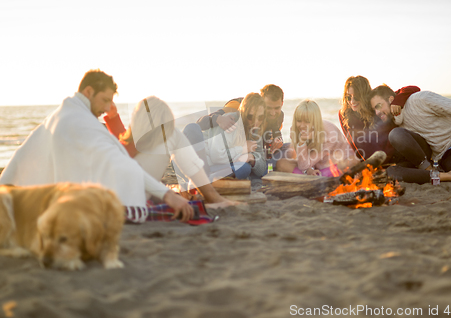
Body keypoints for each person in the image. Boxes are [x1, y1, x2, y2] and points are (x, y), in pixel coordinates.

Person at [0, 70, 193, 222]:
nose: (108, 108)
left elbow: (21, 157)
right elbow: (123, 163)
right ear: (89, 92)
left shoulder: (63, 113)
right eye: (105, 100)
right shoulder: (80, 121)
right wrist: (168, 195)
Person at [104, 96, 238, 208]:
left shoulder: (127, 145)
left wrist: (113, 117)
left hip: (120, 196)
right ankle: (213, 196)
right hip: (132, 200)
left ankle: (209, 193)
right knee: (174, 135)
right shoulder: (167, 136)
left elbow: (124, 142)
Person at [369, 85, 451, 186]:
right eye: (375, 109)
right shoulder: (396, 126)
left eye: (379, 106)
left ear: (392, 100)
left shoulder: (420, 99)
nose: (378, 112)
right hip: (449, 157)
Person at [196, 84, 291, 170]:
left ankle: (267, 167)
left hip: (256, 147)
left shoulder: (278, 116)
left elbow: (275, 129)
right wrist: (218, 119)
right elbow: (199, 123)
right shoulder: (237, 107)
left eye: (277, 108)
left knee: (289, 149)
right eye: (268, 108)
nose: (272, 113)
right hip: (232, 147)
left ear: (282, 104)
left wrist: (278, 139)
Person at [185, 93, 267, 180]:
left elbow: (262, 168)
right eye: (251, 117)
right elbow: (216, 156)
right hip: (201, 164)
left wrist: (252, 157)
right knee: (244, 169)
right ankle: (206, 180)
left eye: (260, 117)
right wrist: (243, 149)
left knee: (252, 169)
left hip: (221, 165)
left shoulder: (256, 130)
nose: (256, 122)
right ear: (243, 112)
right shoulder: (229, 121)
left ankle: (211, 180)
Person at [338, 75, 419, 161]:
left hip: (397, 151)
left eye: (357, 96)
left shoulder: (375, 103)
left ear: (364, 95)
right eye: (348, 97)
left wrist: (397, 101)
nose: (352, 101)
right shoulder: (344, 114)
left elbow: (413, 89)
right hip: (375, 161)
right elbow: (354, 145)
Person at [277, 100, 358, 176]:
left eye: (307, 121)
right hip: (315, 166)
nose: (302, 125)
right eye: (299, 120)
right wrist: (309, 169)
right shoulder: (295, 130)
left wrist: (308, 168)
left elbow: (306, 164)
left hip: (334, 166)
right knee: (281, 163)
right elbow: (304, 164)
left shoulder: (329, 134)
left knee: (352, 161)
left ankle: (314, 179)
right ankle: (312, 178)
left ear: (315, 121)